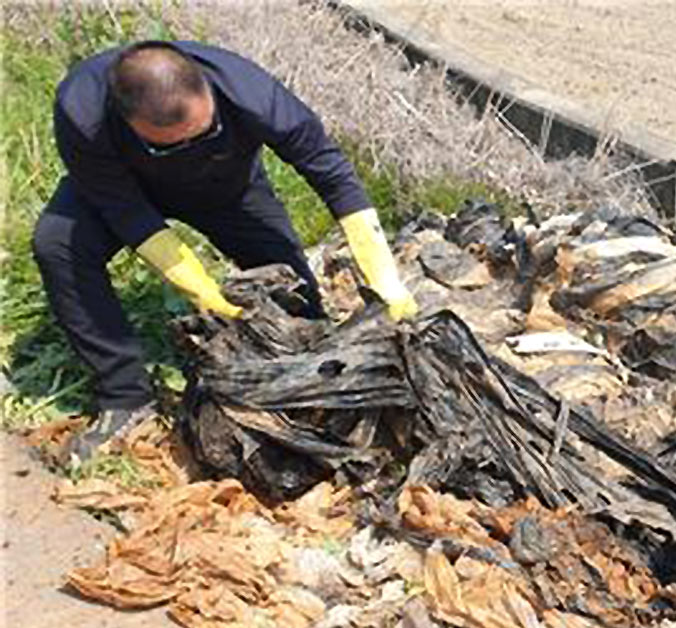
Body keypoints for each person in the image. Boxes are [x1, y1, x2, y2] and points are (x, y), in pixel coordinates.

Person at [32, 40, 419, 464]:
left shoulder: (251, 93)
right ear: (127, 122)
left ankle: (310, 392)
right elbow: (125, 211)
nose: (188, 148)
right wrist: (201, 289)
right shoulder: (82, 111)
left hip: (227, 190)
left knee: (296, 295)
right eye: (168, 145)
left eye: (205, 132)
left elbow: (333, 174)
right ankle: (126, 398)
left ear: (208, 94)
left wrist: (385, 278)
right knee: (58, 245)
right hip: (125, 191)